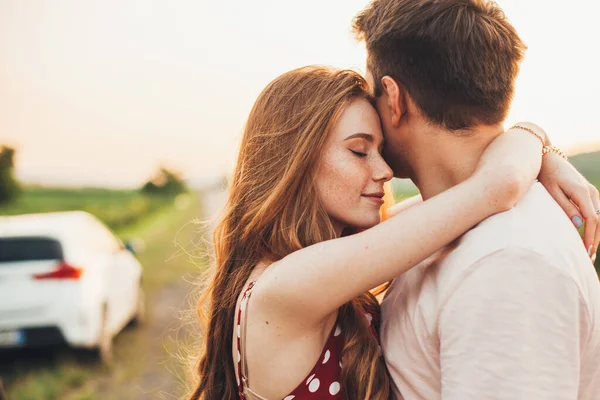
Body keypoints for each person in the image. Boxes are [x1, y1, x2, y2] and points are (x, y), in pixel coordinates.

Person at [188, 65, 599, 399]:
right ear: (296, 160)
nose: (384, 171)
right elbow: (494, 189)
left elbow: (455, 203)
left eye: (380, 150)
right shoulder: (286, 285)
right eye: (358, 150)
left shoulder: (322, 260)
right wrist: (536, 138)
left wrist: (543, 151)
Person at [353, 0, 600, 398]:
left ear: (394, 99)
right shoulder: (434, 221)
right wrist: (535, 138)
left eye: (369, 93)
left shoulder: (507, 261)